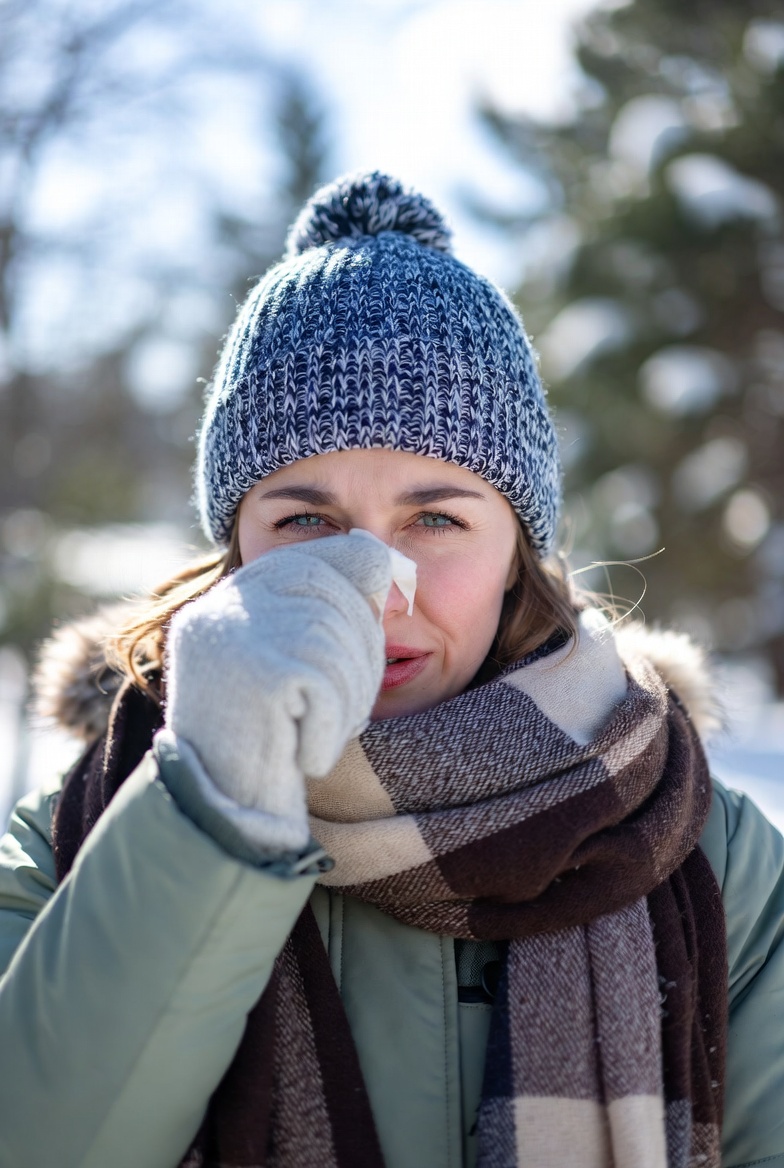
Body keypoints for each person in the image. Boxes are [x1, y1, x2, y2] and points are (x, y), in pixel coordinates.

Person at [0, 171, 782, 1168]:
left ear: (517, 555)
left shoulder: (709, 853)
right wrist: (212, 811)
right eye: (306, 521)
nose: (373, 588)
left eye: (436, 518)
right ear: (235, 546)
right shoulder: (85, 835)